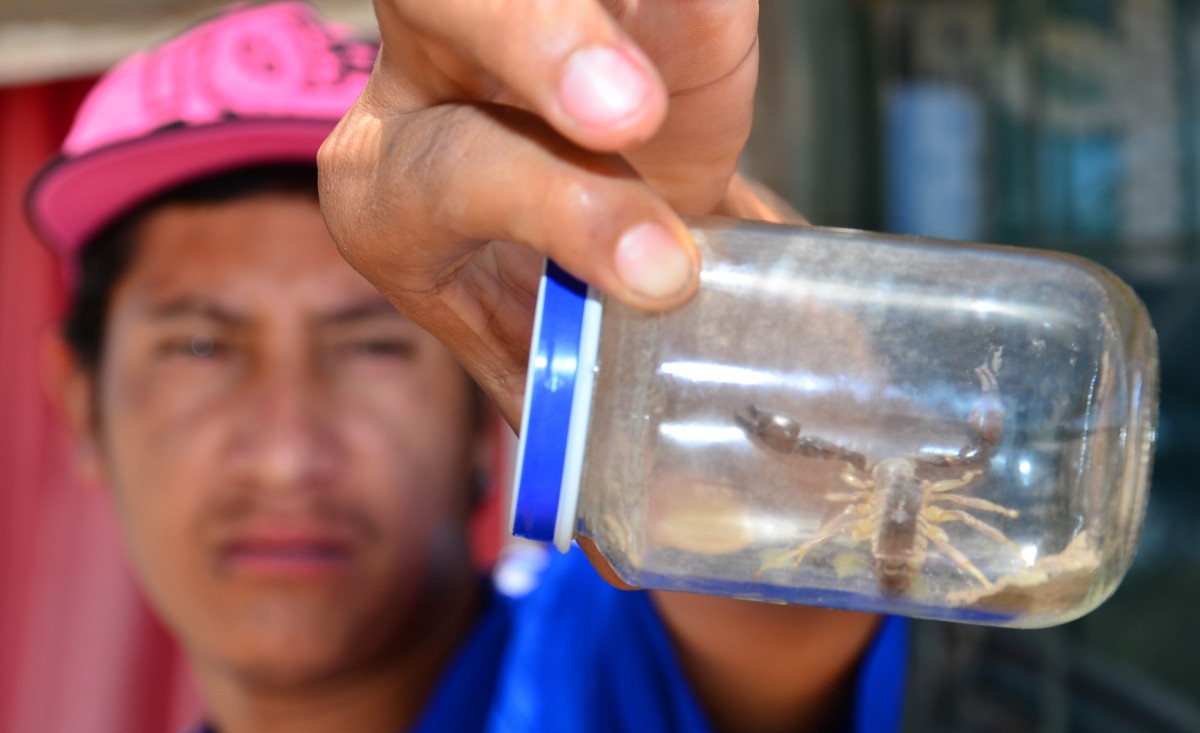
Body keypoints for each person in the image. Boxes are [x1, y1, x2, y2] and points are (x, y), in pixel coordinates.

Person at [26, 3, 1199, 733]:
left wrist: (673, 245)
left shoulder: (604, 655)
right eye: (198, 344)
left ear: (477, 393)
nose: (285, 450)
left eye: (374, 340)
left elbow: (771, 582)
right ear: (79, 401)